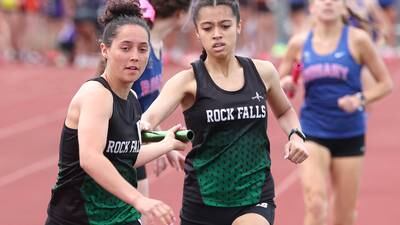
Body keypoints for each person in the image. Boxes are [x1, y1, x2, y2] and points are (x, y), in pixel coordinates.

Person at [141, 1, 309, 225]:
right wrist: (164, 141)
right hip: (203, 199)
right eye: (208, 28)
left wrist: (296, 135)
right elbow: (146, 123)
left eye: (225, 26)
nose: (217, 34)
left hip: (254, 195)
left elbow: (285, 111)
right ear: (198, 32)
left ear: (239, 26)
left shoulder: (263, 72)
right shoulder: (187, 81)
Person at [44, 1, 187, 225]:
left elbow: (125, 157)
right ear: (105, 50)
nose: (135, 57)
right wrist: (140, 200)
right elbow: (91, 159)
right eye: (125, 47)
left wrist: (166, 144)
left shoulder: (131, 99)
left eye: (142, 49)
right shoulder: (97, 95)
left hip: (116, 215)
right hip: (79, 219)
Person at [279, 0, 393, 225]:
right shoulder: (299, 43)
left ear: (344, 6)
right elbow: (277, 86)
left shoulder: (358, 40)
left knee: (344, 214)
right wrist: (286, 84)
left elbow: (385, 83)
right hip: (312, 130)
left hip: (349, 133)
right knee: (316, 203)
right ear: (312, 7)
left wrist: (360, 99)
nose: (328, 2)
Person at [132, 0, 191, 211]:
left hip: (135, 141)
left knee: (140, 215)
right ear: (180, 14)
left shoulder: (158, 44)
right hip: (119, 141)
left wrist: (161, 145)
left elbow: (148, 104)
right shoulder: (140, 44)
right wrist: (158, 144)